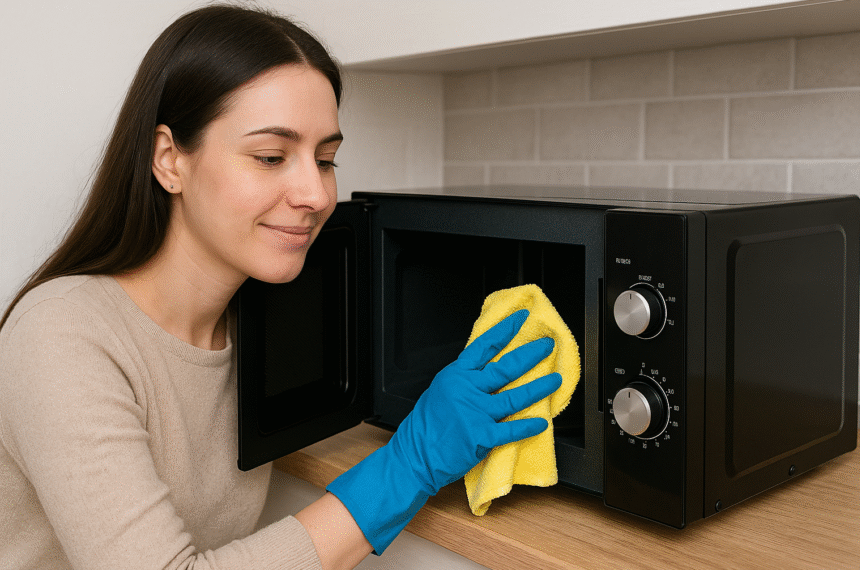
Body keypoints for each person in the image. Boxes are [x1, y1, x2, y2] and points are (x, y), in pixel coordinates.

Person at [0, 4, 561, 570]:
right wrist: (408, 464)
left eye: (326, 158)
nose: (317, 195)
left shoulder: (258, 321)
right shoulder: (62, 336)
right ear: (169, 159)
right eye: (271, 157)